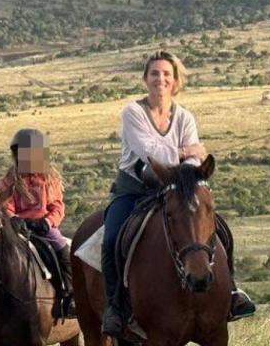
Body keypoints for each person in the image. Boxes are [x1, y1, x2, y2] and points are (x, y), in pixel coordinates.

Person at [100, 50, 257, 339]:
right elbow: (150, 153)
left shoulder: (185, 117)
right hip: (135, 188)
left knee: (219, 228)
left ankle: (232, 291)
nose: (160, 79)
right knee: (111, 238)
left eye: (166, 74)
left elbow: (196, 160)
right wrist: (186, 152)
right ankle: (116, 306)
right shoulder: (133, 113)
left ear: (175, 81)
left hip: (178, 186)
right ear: (145, 79)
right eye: (154, 73)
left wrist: (189, 163)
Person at [0, 128, 75, 317]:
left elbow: (57, 206)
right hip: (18, 227)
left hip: (44, 227)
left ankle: (69, 294)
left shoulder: (50, 179)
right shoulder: (10, 181)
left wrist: (48, 222)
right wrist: (14, 219)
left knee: (63, 250)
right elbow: (6, 206)